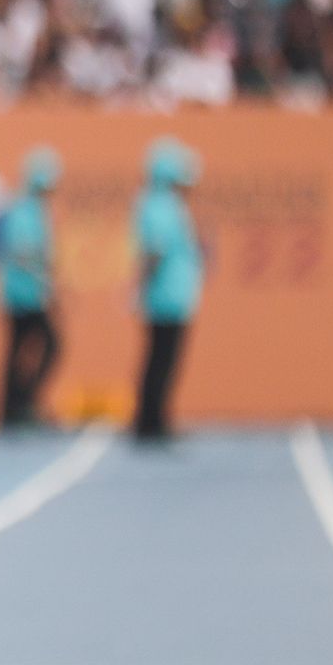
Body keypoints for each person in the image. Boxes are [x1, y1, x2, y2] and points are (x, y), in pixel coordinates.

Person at [131, 137, 203, 445]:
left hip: (172, 295)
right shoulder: (160, 205)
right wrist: (141, 285)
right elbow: (155, 251)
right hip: (166, 297)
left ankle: (154, 417)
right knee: (161, 359)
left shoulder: (164, 204)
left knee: (161, 359)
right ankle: (151, 420)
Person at [0, 147, 61, 432]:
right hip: (22, 293)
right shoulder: (23, 209)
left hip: (27, 290)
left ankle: (15, 406)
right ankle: (19, 404)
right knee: (45, 344)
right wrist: (45, 284)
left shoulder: (34, 209)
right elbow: (23, 253)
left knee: (20, 348)